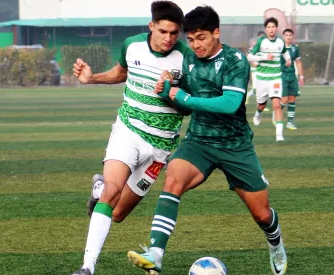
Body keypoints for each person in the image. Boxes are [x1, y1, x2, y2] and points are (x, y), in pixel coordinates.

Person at [127, 6, 288, 275]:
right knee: (173, 178)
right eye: (190, 39)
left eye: (201, 37)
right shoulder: (188, 59)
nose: (195, 45)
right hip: (199, 141)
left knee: (262, 214)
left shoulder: (235, 60)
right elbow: (182, 98)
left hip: (235, 145)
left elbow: (230, 103)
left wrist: (183, 97)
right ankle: (155, 254)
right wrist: (167, 88)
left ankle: (276, 244)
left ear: (216, 33)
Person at [70, 1, 190, 274]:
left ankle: (98, 190)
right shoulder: (132, 45)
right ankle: (87, 267)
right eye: (163, 31)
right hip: (129, 130)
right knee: (113, 191)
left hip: (161, 146)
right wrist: (92, 79)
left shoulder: (187, 57)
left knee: (118, 213)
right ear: (151, 26)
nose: (168, 39)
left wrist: (168, 92)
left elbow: (188, 107)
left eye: (174, 33)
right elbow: (122, 72)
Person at [247, 17, 291, 142]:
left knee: (277, 105)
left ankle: (279, 135)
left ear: (276, 28)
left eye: (273, 27)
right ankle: (258, 113)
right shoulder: (261, 41)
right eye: (268, 27)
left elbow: (284, 52)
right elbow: (250, 57)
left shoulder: (280, 42)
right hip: (261, 78)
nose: (271, 29)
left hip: (275, 78)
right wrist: (265, 57)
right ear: (266, 29)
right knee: (261, 104)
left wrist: (288, 60)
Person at [280, 28, 303, 130]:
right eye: (286, 35)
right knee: (284, 99)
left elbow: (298, 62)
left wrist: (301, 76)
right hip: (282, 76)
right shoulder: (279, 48)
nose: (288, 37)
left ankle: (290, 122)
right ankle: (276, 112)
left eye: (290, 35)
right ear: (283, 36)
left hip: (292, 77)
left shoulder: (294, 48)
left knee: (292, 98)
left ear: (292, 37)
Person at [246, 31, 266, 105]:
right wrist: (258, 66)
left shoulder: (264, 48)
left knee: (262, 88)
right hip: (255, 71)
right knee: (256, 89)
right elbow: (250, 60)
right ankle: (260, 104)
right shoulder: (253, 48)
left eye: (263, 38)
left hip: (263, 71)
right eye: (260, 37)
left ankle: (261, 103)